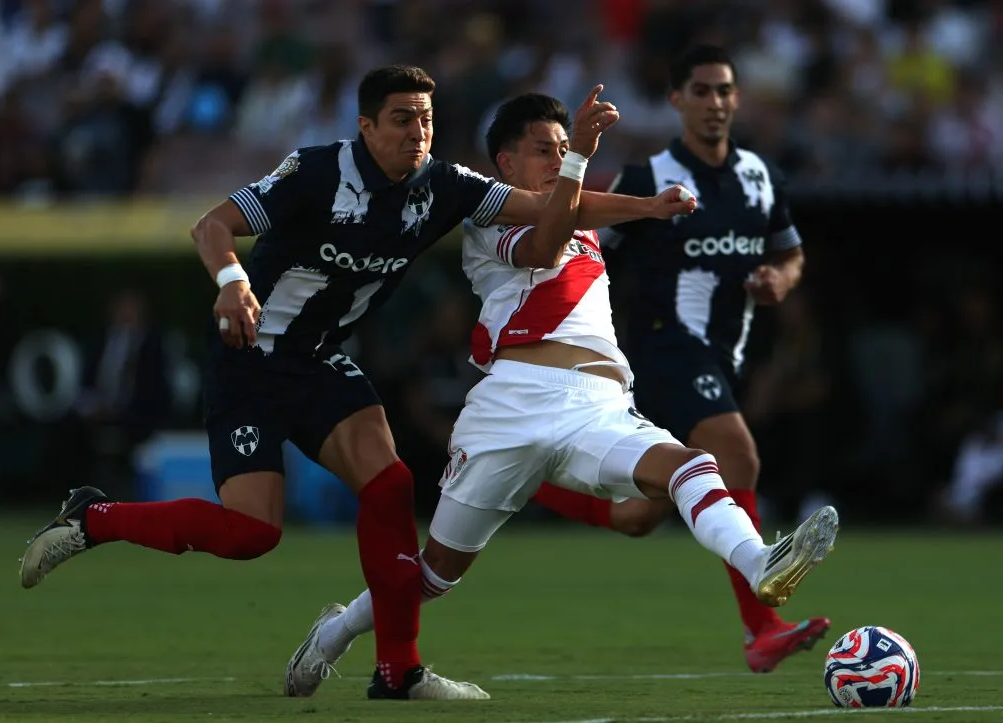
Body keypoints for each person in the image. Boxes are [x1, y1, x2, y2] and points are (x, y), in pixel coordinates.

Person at [18, 65, 702, 702]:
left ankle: (397, 668)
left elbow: (554, 211)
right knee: (252, 533)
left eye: (426, 119)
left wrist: (650, 206)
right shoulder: (316, 172)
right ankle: (93, 518)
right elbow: (212, 226)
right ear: (366, 127)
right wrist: (231, 283)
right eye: (402, 118)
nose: (417, 132)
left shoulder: (445, 185)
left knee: (392, 484)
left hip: (317, 358)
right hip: (249, 356)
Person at [282, 91, 839, 697]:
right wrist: (604, 176)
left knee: (691, 466)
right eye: (543, 151)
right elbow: (546, 238)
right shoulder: (483, 216)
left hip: (596, 407)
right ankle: (335, 631)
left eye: (563, 149)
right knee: (436, 575)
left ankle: (760, 562)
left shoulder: (576, 214)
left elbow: (583, 209)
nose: (557, 159)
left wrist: (652, 207)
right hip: (512, 406)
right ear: (505, 165)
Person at [528, 45, 825, 674]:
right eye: (701, 90)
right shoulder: (647, 176)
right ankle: (761, 628)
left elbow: (791, 253)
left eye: (724, 90)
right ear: (677, 101)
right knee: (736, 451)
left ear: (737, 99)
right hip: (665, 347)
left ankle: (531, 480)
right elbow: (581, 245)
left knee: (638, 516)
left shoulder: (758, 176)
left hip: (723, 357)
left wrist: (782, 279)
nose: (715, 102)